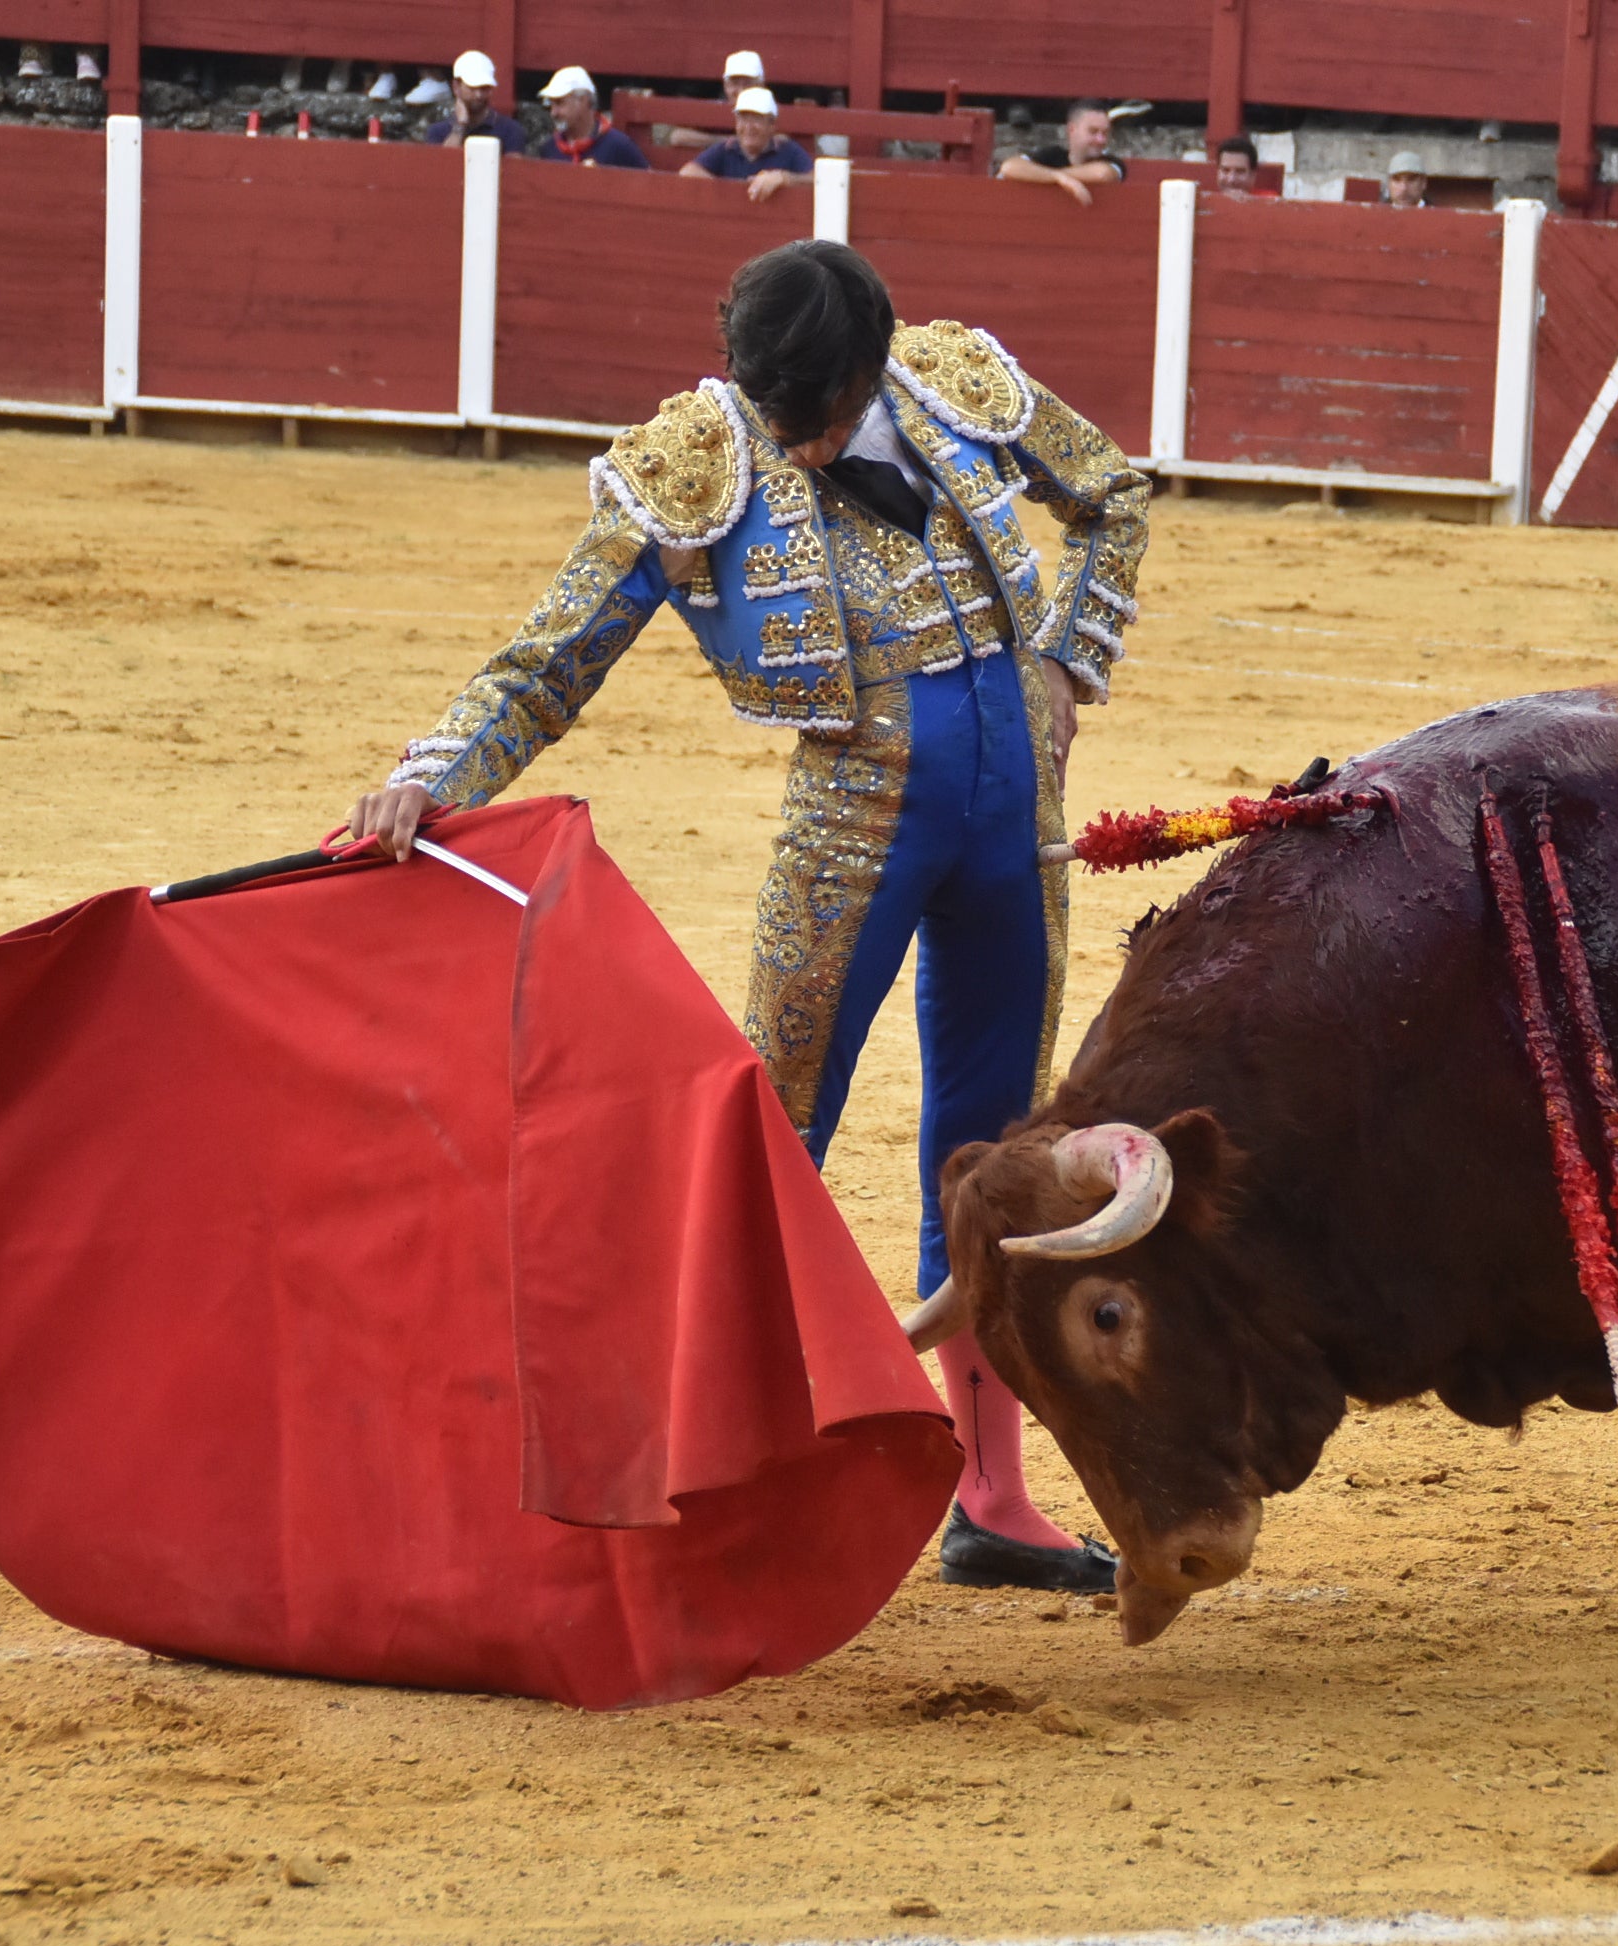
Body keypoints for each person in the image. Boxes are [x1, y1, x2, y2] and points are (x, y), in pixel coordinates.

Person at [344, 243, 1149, 1595]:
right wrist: (431, 774)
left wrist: (1074, 654)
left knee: (997, 1154)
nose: (807, 441)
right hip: (855, 821)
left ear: (877, 359)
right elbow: (553, 660)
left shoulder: (956, 379)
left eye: (826, 413)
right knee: (771, 1143)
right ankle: (683, 1474)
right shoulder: (692, 461)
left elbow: (1114, 495)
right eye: (786, 419)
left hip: (1018, 819)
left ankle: (992, 1497)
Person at [683, 85, 816, 198]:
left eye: (756, 120)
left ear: (772, 125)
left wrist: (783, 178)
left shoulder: (788, 150)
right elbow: (688, 171)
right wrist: (724, 191)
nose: (748, 127)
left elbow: (816, 180)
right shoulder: (726, 148)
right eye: (743, 119)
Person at [999, 98, 1124, 206]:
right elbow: (1009, 167)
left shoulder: (1112, 162)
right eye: (1093, 131)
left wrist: (1042, 175)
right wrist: (1060, 178)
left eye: (1105, 133)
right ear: (1072, 129)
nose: (1101, 140)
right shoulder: (1052, 154)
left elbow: (1102, 174)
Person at [535, 65, 649, 168]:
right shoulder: (549, 149)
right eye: (550, 104)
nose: (553, 113)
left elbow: (649, 184)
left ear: (583, 101)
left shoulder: (618, 146)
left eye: (560, 103)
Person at [428, 50, 529, 152]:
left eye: (484, 88)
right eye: (472, 88)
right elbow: (443, 162)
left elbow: (515, 165)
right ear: (456, 87)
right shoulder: (438, 131)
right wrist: (459, 126)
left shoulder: (510, 130)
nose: (478, 95)